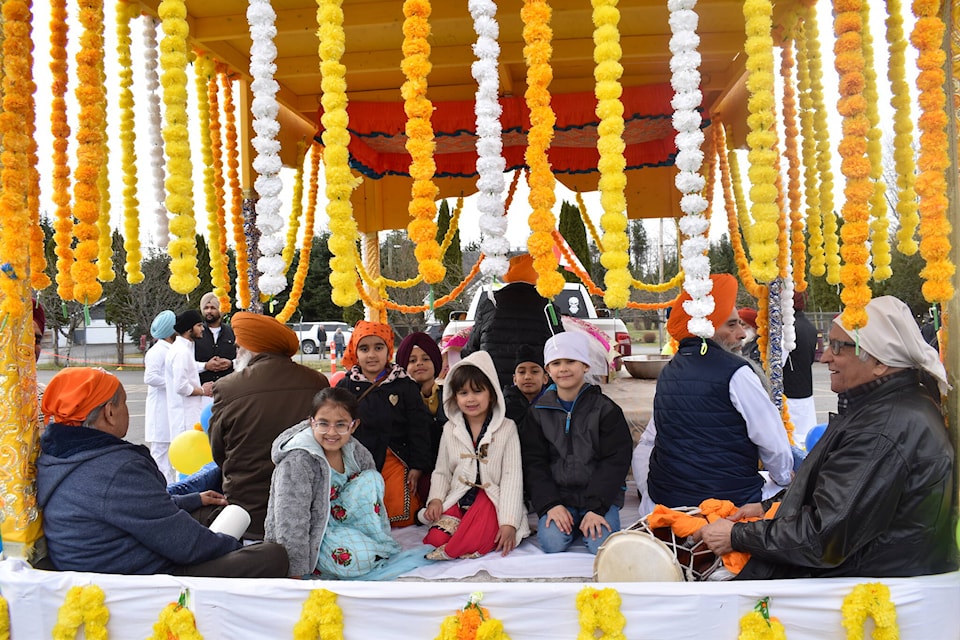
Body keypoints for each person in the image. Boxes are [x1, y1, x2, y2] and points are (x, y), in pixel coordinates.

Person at [696, 296, 956, 579]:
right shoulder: (883, 407)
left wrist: (737, 535)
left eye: (837, 347)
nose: (824, 357)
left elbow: (824, 537)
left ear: (880, 363)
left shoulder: (881, 429)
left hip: (866, 576)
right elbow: (838, 497)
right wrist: (769, 506)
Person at [36, 367, 288, 576]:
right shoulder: (116, 468)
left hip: (112, 559)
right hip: (137, 577)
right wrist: (235, 548)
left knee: (208, 511)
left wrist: (192, 500)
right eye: (123, 403)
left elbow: (134, 508)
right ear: (109, 413)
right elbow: (185, 545)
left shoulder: (61, 452)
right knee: (272, 556)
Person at [634, 274, 793, 514]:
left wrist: (648, 492)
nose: (742, 333)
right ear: (706, 330)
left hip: (665, 500)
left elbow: (649, 441)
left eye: (740, 324)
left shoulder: (669, 371)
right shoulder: (737, 373)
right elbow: (774, 446)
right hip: (728, 504)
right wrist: (784, 478)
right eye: (732, 324)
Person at [209, 312, 329, 539]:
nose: (235, 354)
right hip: (306, 510)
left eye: (238, 347)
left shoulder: (227, 387)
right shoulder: (317, 382)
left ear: (251, 348)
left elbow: (218, 452)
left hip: (248, 514)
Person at [265, 387, 400, 578]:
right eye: (323, 423)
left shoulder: (355, 451)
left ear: (353, 426)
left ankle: (370, 543)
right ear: (311, 422)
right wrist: (295, 569)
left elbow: (370, 500)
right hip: (315, 533)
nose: (331, 432)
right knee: (358, 559)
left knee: (372, 479)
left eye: (341, 425)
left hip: (345, 525)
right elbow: (291, 517)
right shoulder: (299, 460)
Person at [520, 331, 632, 554]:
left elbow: (615, 461)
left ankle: (587, 521)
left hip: (599, 497)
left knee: (600, 546)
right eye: (556, 363)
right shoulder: (538, 412)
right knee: (552, 543)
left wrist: (596, 508)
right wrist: (550, 504)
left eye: (571, 361)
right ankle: (570, 522)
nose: (563, 368)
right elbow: (534, 463)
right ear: (548, 371)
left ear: (585, 366)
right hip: (559, 497)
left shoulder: (605, 410)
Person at [421, 351, 529, 560]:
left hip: (491, 497)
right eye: (463, 393)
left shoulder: (507, 428)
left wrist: (508, 523)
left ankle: (457, 545)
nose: (470, 399)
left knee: (485, 539)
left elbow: (512, 479)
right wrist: (435, 499)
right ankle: (460, 534)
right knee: (435, 539)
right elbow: (442, 471)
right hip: (460, 494)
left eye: (478, 391)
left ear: (492, 393)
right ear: (454, 397)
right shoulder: (450, 429)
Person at [336, 320, 433, 527]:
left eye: (378, 347)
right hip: (358, 462)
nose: (371, 355)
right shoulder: (345, 387)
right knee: (360, 515)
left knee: (400, 515)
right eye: (364, 348)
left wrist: (417, 466)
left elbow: (418, 427)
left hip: (394, 459)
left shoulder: (404, 385)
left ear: (389, 350)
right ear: (355, 351)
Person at [462, 253, 563, 388]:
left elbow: (470, 349)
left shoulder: (491, 303)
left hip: (493, 384)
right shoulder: (547, 306)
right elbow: (559, 345)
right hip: (535, 386)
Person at [395, 331, 447, 498]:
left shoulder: (450, 396)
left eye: (426, 359)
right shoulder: (397, 401)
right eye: (412, 360)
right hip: (412, 469)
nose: (419, 364)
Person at [165, 310, 213, 437]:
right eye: (199, 325)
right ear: (188, 329)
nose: (203, 329)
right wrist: (203, 390)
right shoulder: (181, 352)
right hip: (185, 418)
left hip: (189, 415)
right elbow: (181, 386)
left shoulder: (185, 349)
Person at [143, 310, 178, 482]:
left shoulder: (172, 349)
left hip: (170, 407)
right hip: (160, 409)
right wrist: (174, 383)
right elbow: (150, 377)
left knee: (172, 451)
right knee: (160, 453)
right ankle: (164, 486)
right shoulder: (157, 352)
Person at [783, 291, 818, 445]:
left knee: (792, 439)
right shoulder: (810, 327)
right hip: (805, 389)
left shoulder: (788, 329)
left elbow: (777, 366)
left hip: (789, 392)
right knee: (807, 438)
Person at [195, 292, 236, 385]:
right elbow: (186, 363)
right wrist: (205, 366)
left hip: (228, 387)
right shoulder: (195, 333)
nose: (208, 311)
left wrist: (231, 363)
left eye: (213, 308)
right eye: (206, 308)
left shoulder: (231, 332)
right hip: (202, 389)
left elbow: (242, 357)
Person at [503, 344, 549, 425]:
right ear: (515, 379)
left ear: (545, 378)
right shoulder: (504, 407)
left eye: (534, 371)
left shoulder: (553, 405)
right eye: (522, 372)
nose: (527, 377)